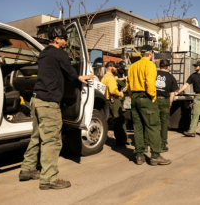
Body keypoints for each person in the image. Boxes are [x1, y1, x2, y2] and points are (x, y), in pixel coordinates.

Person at [19, 25, 94, 190]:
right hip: (48, 102)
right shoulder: (60, 53)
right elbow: (70, 73)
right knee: (52, 140)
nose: (67, 41)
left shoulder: (44, 53)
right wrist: (82, 77)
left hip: (37, 100)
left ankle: (27, 169)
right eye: (65, 38)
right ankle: (49, 178)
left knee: (36, 137)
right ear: (57, 39)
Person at [126, 45, 171, 166]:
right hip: (146, 97)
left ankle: (139, 155)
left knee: (138, 127)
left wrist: (132, 96)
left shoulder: (132, 66)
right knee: (153, 126)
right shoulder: (150, 65)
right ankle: (155, 156)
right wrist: (153, 97)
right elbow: (150, 83)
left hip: (134, 98)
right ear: (150, 53)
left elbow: (128, 83)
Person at [176, 61, 200, 137]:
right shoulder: (193, 76)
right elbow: (186, 85)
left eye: (196, 66)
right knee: (195, 113)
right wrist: (178, 92)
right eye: (194, 66)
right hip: (197, 95)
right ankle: (192, 131)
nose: (195, 67)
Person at [101, 61, 127, 146]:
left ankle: (120, 139)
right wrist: (120, 94)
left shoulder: (104, 77)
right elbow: (113, 90)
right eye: (115, 67)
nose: (116, 68)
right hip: (114, 99)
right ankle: (121, 140)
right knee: (119, 119)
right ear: (110, 67)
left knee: (116, 120)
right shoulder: (111, 78)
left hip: (108, 99)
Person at [155, 59, 178, 152]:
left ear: (160, 66)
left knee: (152, 122)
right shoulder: (171, 77)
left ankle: (147, 143)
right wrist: (170, 102)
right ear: (168, 66)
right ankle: (162, 145)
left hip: (153, 100)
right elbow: (172, 92)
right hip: (164, 101)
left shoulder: (154, 74)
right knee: (164, 123)